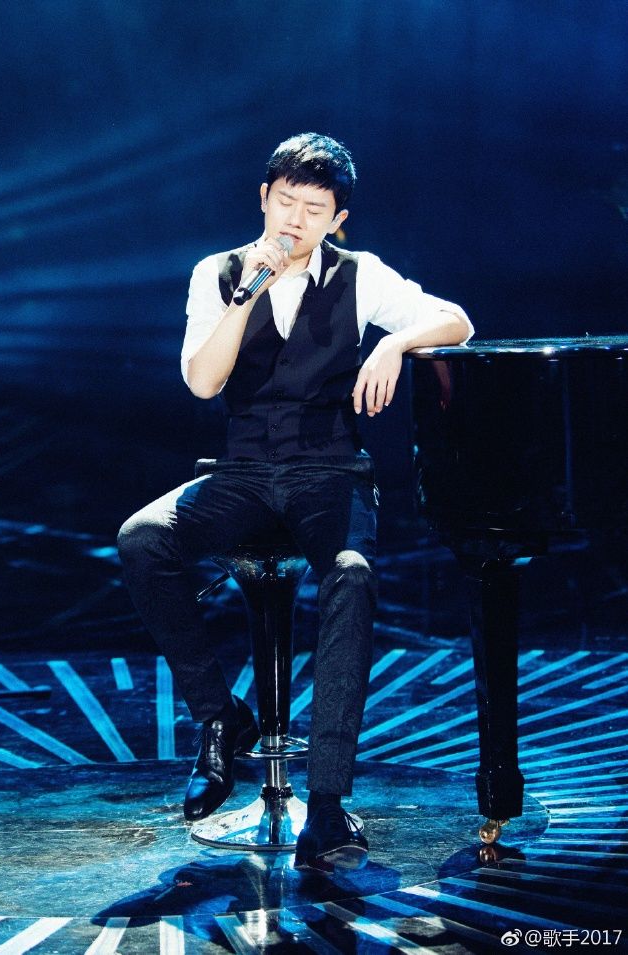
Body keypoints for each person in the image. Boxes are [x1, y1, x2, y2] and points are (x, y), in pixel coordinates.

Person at [117, 132, 473, 871]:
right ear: (263, 198)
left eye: (314, 210)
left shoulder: (360, 274)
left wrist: (391, 345)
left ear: (336, 219)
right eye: (285, 202)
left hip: (328, 471)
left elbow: (457, 321)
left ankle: (328, 803)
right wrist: (247, 292)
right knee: (142, 537)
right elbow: (203, 382)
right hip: (243, 470)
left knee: (351, 574)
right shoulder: (217, 273)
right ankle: (221, 720)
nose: (295, 220)